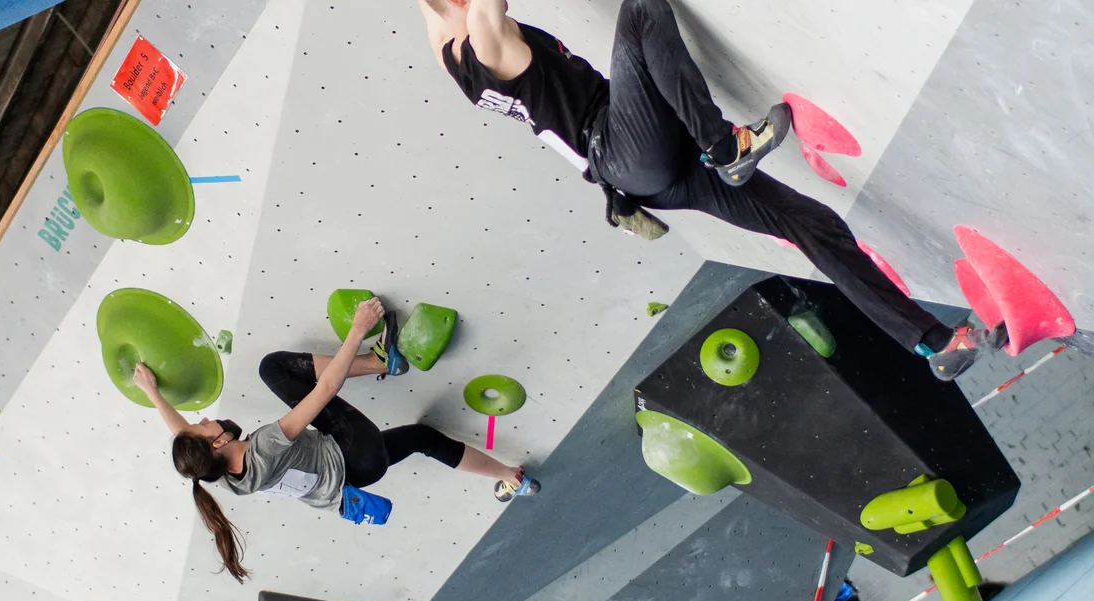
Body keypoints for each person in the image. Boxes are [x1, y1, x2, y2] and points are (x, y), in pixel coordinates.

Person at [413, 0, 1007, 381]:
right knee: (641, 9)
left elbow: (434, 12)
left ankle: (934, 343)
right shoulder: (488, 45)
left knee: (810, 223)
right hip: (623, 146)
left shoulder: (451, 56)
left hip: (648, 171)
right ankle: (728, 148)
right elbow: (482, 11)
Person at [132, 297, 541, 582]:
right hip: (352, 449)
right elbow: (326, 389)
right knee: (273, 369)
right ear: (217, 443)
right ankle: (379, 358)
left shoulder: (221, 476)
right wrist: (358, 330)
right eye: (203, 426)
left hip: (359, 477)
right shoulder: (265, 446)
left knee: (420, 437)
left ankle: (513, 478)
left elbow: (181, 433)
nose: (203, 419)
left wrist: (153, 393)